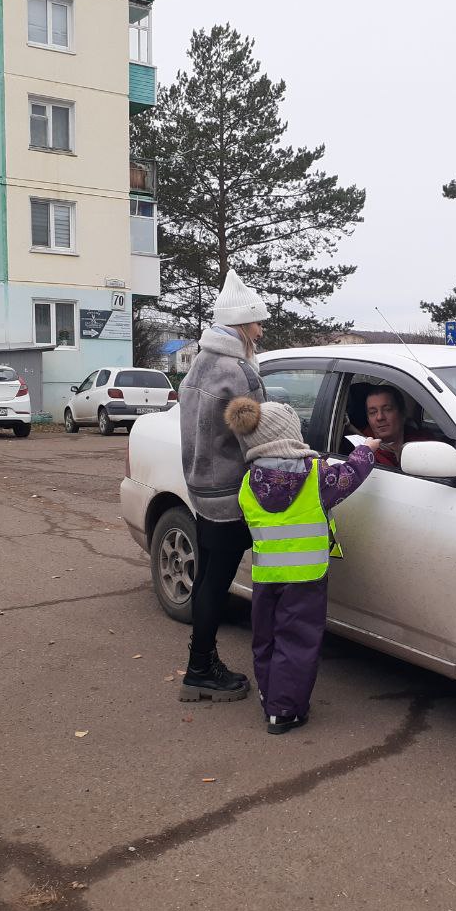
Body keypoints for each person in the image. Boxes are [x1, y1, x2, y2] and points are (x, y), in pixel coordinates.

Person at [225, 396, 378, 734]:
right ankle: (285, 711)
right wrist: (366, 448)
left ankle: (270, 697)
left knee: (266, 638)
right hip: (307, 577)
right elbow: (351, 475)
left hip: (266, 576)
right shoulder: (317, 476)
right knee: (297, 642)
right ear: (291, 435)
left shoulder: (248, 483)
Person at [176, 270, 268, 703]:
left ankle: (202, 662)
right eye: (256, 324)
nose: (260, 331)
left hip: (200, 487)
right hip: (231, 495)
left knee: (206, 578)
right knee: (217, 582)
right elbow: (262, 435)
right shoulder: (239, 373)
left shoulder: (200, 363)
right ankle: (200, 669)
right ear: (240, 327)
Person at [359, 384, 434, 470]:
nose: (380, 417)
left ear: (403, 413)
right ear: (368, 419)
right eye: (373, 412)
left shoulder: (424, 443)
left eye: (387, 409)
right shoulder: (362, 454)